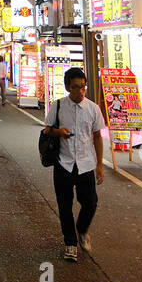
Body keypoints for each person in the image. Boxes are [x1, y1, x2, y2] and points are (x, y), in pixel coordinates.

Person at [41, 68, 105, 262]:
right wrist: (59, 132)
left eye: (83, 86)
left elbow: (97, 136)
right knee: (64, 205)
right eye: (76, 87)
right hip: (64, 162)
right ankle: (70, 242)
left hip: (86, 163)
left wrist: (100, 165)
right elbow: (47, 130)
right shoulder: (58, 106)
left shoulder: (93, 108)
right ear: (68, 87)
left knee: (90, 202)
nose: (80, 91)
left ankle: (82, 229)